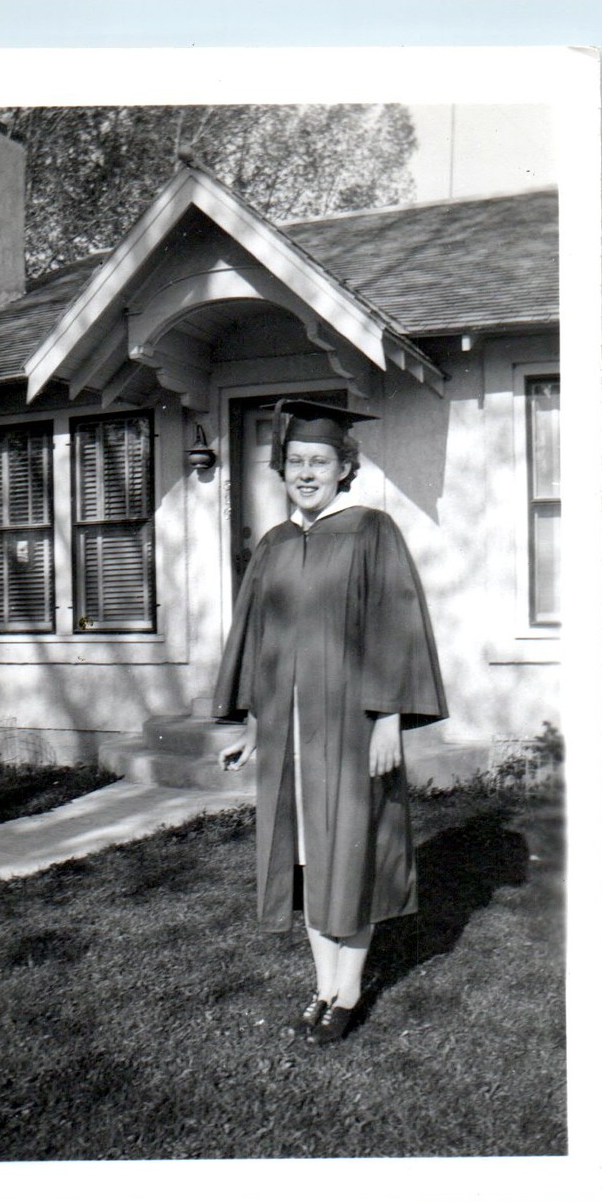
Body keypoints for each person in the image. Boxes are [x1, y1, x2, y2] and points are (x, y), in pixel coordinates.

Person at [213, 398, 447, 1046]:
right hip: (289, 730)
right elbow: (258, 640)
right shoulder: (276, 544)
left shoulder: (373, 531)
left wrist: (388, 720)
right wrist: (254, 726)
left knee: (350, 852)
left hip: (350, 725)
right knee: (308, 858)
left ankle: (347, 990)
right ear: (281, 469)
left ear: (346, 468)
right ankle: (322, 985)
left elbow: (396, 628)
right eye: (295, 461)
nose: (306, 472)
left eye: (320, 461)